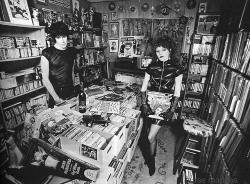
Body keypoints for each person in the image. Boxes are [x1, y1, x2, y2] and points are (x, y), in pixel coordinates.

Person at [138, 35, 183, 176]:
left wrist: (172, 110)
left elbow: (177, 93)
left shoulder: (177, 69)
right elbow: (143, 88)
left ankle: (151, 162)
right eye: (158, 51)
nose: (160, 53)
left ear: (170, 50)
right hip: (149, 105)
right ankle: (153, 153)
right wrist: (144, 104)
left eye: (163, 50)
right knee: (148, 134)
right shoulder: (151, 67)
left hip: (163, 108)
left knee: (150, 137)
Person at [41, 22, 77, 108]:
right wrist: (56, 98)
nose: (62, 40)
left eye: (64, 36)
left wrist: (74, 90)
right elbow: (45, 79)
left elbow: (72, 72)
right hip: (55, 94)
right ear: (54, 38)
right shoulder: (47, 53)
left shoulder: (72, 52)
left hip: (70, 93)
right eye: (58, 37)